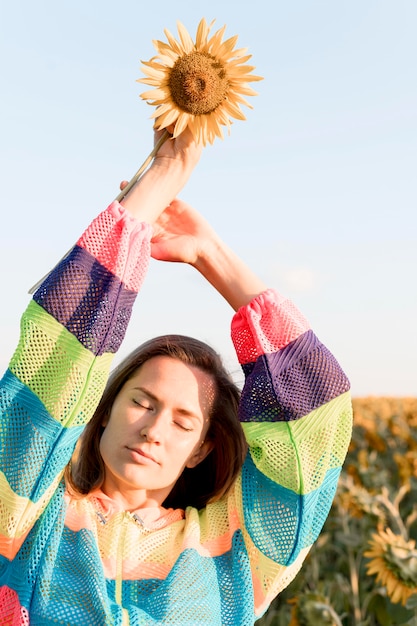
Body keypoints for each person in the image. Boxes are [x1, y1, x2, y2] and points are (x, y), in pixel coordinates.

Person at [0, 126, 353, 625]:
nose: (153, 430)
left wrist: (212, 255)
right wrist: (158, 183)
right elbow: (48, 374)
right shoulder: (28, 513)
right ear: (101, 413)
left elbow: (313, 429)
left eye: (184, 422)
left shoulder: (233, 558)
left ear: (204, 448)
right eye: (141, 402)